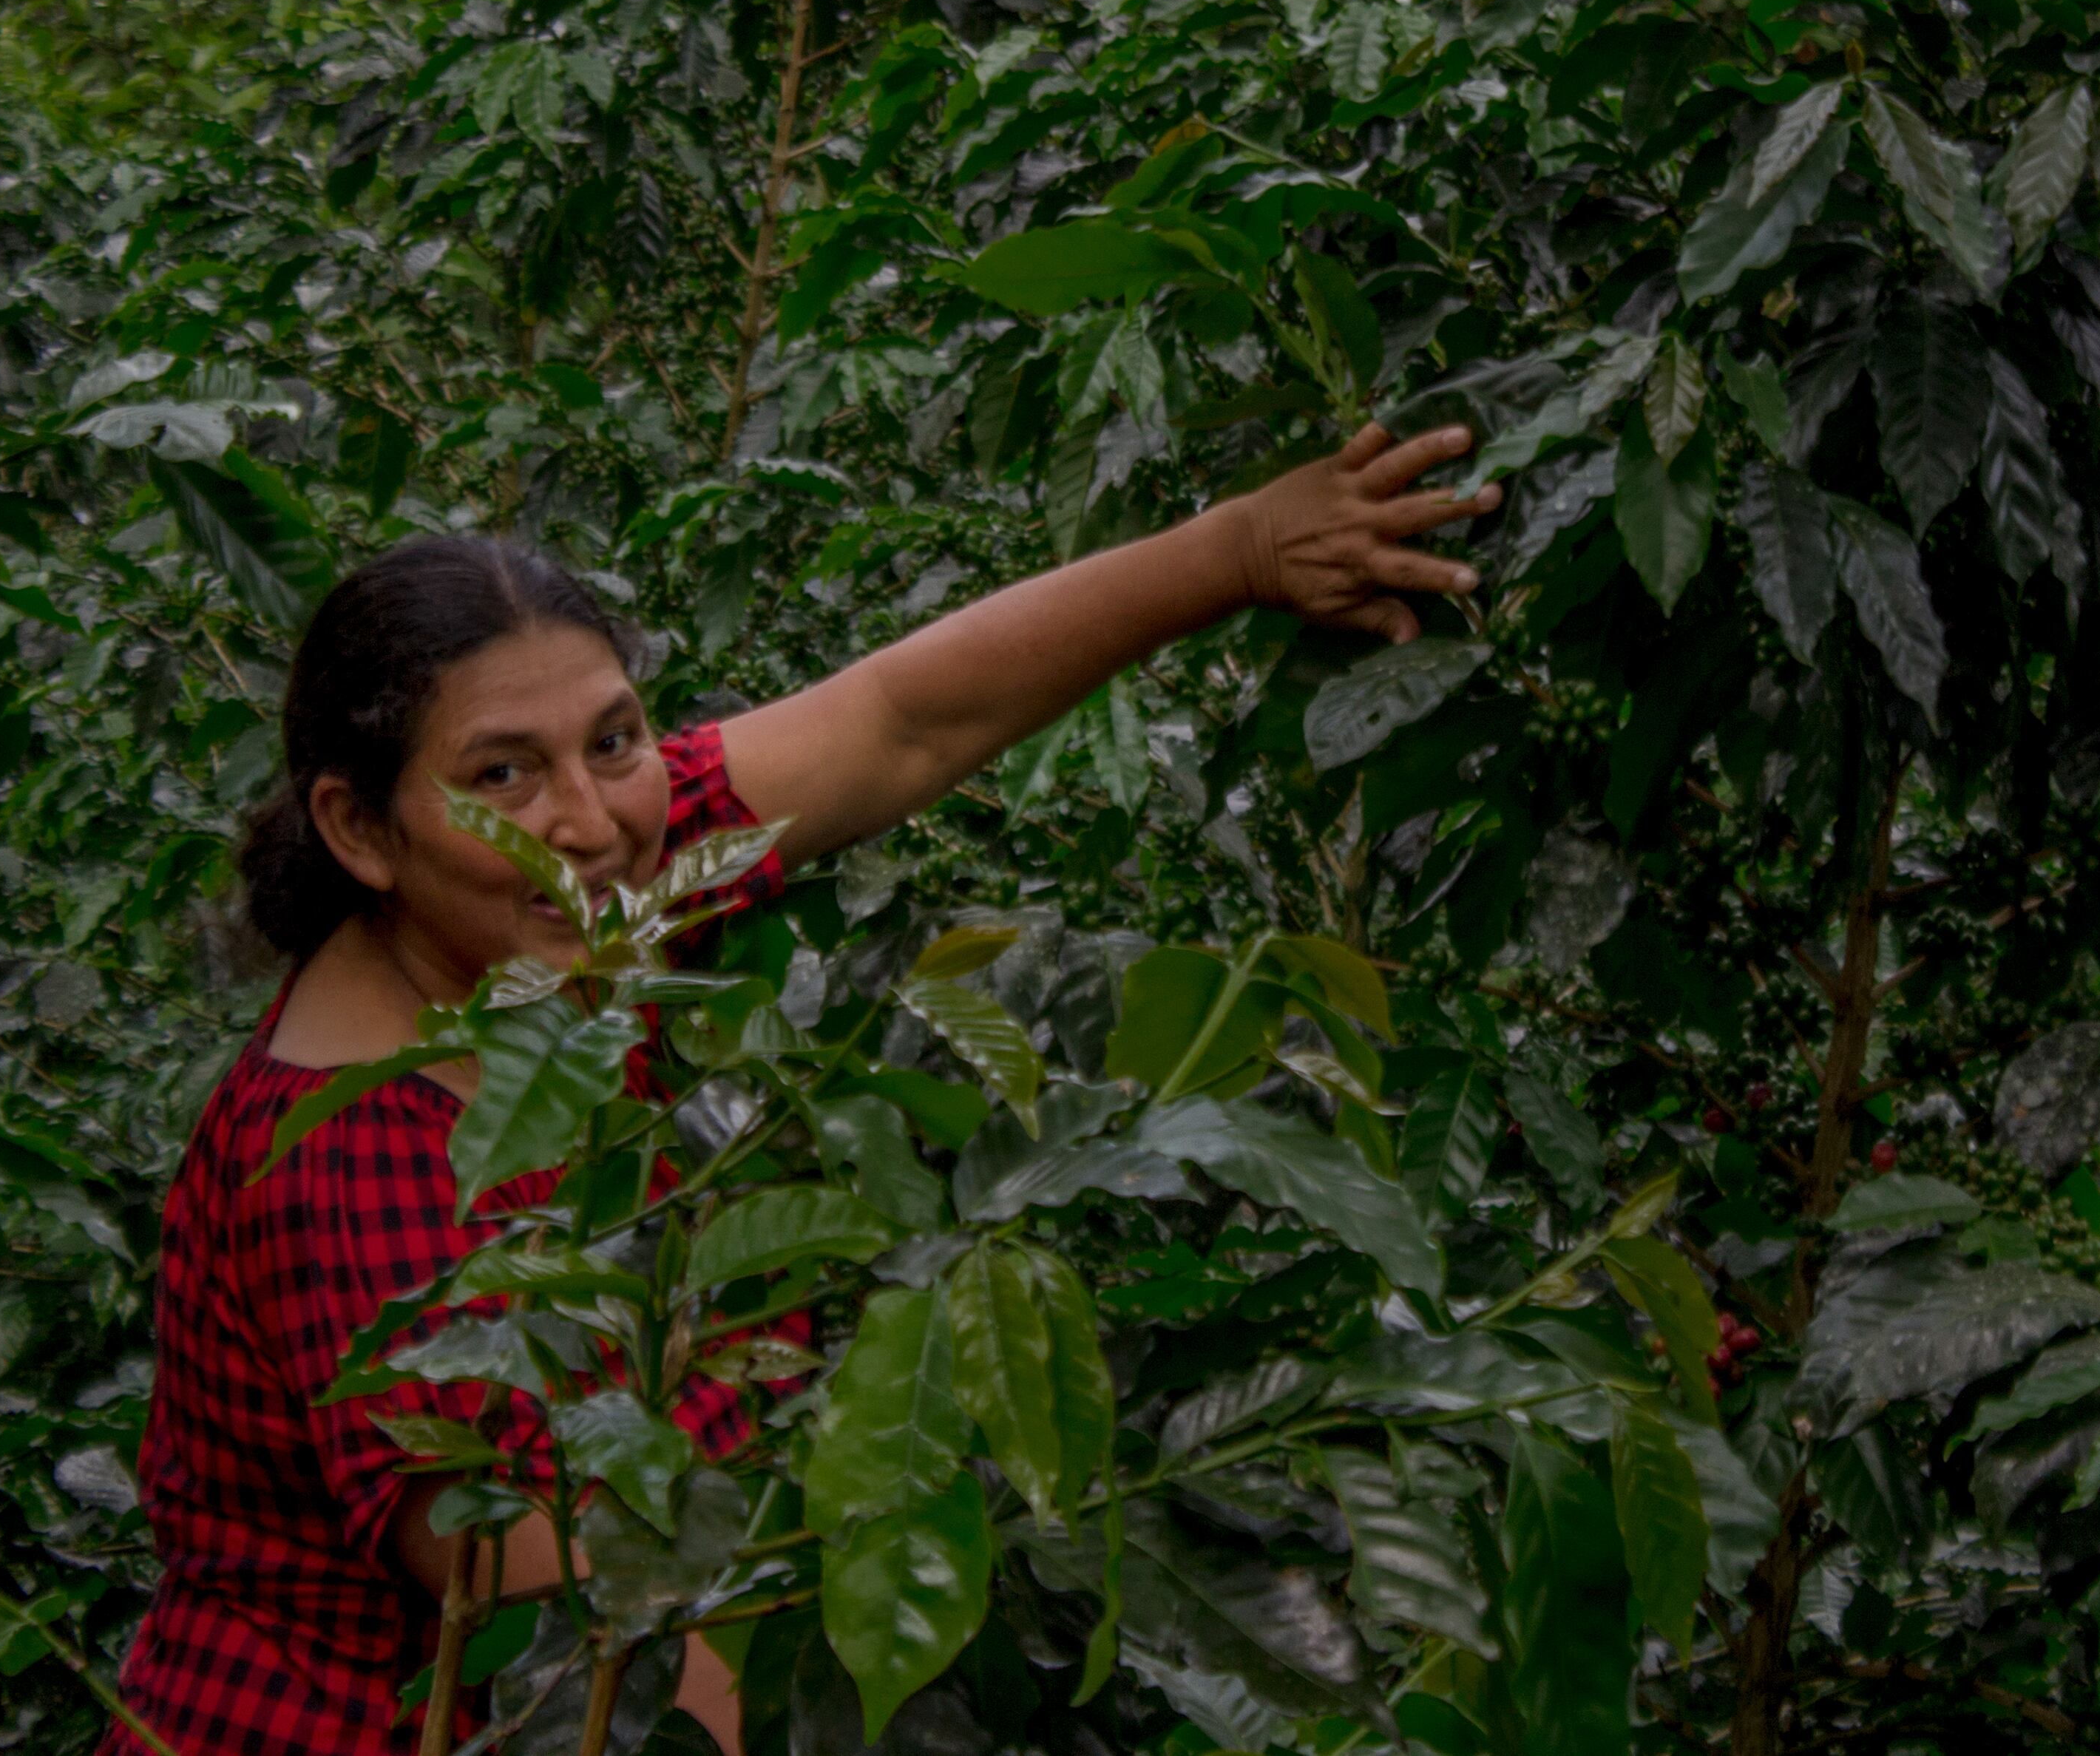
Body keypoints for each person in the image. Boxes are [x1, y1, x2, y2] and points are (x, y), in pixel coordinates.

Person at [104, 423, 1498, 1756]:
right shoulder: (347, 1156)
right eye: (501, 776)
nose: (588, 821)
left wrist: (1248, 548)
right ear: (360, 826)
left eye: (616, 737)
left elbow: (900, 718)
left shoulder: (599, 888)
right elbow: (608, 1633)